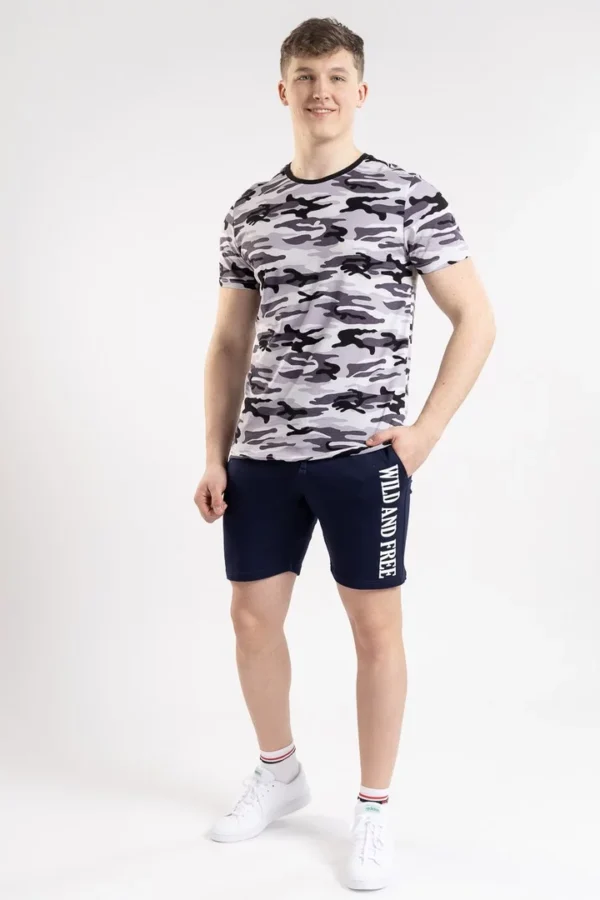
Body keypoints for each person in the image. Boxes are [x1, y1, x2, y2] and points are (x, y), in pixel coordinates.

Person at [194, 16, 495, 891]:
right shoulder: (250, 210)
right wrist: (214, 453)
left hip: (363, 458)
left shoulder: (407, 195)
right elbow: (228, 343)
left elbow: (476, 318)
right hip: (261, 456)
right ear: (281, 90)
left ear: (360, 91)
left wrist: (423, 433)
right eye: (305, 76)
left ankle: (372, 809)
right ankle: (280, 773)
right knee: (252, 620)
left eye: (335, 76)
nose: (320, 91)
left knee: (375, 631)